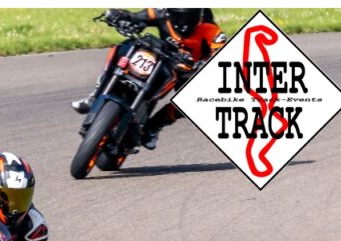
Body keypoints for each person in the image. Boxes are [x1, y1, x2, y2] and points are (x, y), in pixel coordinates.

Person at [71, 8, 227, 149]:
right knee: (124, 47)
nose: (184, 23)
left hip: (188, 70)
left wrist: (205, 64)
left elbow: (222, 53)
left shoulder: (211, 29)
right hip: (161, 57)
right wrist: (119, 16)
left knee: (193, 101)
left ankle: (153, 127)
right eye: (180, 17)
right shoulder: (159, 11)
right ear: (170, 12)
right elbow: (137, 16)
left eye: (190, 17)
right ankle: (95, 96)